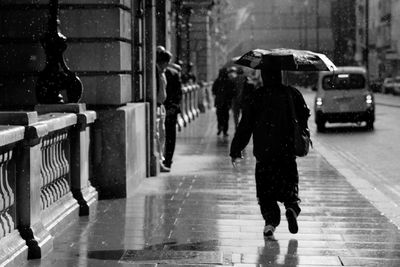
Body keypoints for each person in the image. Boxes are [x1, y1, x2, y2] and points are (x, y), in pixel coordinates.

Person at [229, 65, 310, 239]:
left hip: (264, 154)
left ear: (264, 76)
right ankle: (291, 209)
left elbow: (245, 126)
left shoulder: (256, 96)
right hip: (287, 153)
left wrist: (236, 149)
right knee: (289, 188)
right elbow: (304, 115)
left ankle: (270, 223)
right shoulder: (291, 93)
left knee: (266, 193)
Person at [163, 62, 183, 170]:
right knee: (167, 136)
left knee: (169, 135)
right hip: (165, 108)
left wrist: (173, 107)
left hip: (169, 109)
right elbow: (178, 93)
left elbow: (178, 93)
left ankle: (167, 160)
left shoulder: (172, 74)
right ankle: (166, 159)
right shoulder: (158, 73)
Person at [156, 47, 172, 172]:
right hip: (156, 106)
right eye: (167, 62)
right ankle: (158, 162)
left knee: (162, 134)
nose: (168, 65)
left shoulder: (162, 72)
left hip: (161, 106)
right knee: (157, 135)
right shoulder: (156, 72)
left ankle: (161, 159)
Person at [212, 68, 235, 136]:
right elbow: (233, 92)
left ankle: (220, 127)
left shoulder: (217, 81)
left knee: (219, 115)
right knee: (226, 116)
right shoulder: (229, 81)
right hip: (226, 102)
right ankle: (225, 130)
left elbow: (213, 90)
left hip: (219, 102)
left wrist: (219, 94)